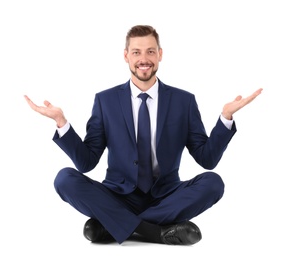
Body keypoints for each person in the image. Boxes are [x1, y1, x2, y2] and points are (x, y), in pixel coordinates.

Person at [24, 25, 263, 246]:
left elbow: (207, 159)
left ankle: (113, 224)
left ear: (160, 54)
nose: (144, 59)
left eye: (150, 51)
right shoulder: (105, 101)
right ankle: (155, 232)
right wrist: (61, 122)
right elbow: (87, 163)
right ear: (126, 56)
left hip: (167, 197)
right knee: (64, 179)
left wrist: (225, 118)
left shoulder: (183, 101)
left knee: (213, 183)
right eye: (136, 52)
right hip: (118, 194)